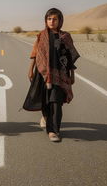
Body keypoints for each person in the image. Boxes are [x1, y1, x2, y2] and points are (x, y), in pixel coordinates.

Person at [28, 8, 80, 142]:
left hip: (60, 75)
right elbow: (35, 53)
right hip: (42, 74)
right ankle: (45, 117)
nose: (52, 21)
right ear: (46, 20)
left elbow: (70, 57)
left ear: (60, 21)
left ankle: (53, 131)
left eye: (55, 19)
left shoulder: (66, 37)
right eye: (49, 19)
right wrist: (30, 69)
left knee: (56, 102)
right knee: (46, 102)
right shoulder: (42, 35)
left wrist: (72, 74)